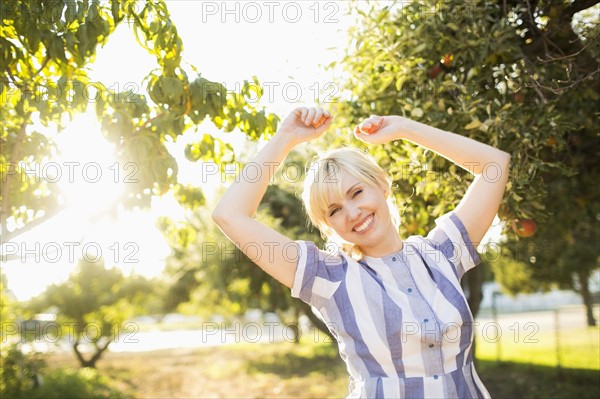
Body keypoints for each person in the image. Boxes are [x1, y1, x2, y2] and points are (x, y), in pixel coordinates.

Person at [212, 106, 510, 398]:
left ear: (382, 186)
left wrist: (406, 128)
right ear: (328, 226)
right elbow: (230, 214)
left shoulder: (441, 254)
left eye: (357, 192)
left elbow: (495, 165)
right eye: (335, 210)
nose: (353, 212)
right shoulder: (328, 277)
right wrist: (285, 137)